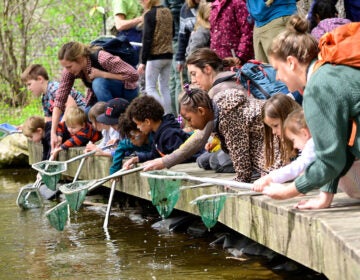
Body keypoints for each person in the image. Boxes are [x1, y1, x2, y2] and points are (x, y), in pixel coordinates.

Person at [264, 15, 360, 209]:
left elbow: (330, 159)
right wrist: (325, 197)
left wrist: (290, 191)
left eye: (277, 68)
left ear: (291, 62)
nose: (277, 77)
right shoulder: (329, 70)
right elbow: (339, 146)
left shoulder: (317, 89)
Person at [142, 47, 272, 172]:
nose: (193, 80)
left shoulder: (219, 91)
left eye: (194, 74)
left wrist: (165, 161)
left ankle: (257, 167)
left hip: (260, 145)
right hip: (250, 142)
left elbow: (200, 138)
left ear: (207, 69)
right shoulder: (229, 79)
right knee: (204, 160)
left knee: (215, 161)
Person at [50, 41, 138, 150]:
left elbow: (134, 75)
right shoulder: (70, 71)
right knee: (86, 115)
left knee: (98, 83)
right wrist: (53, 133)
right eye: (65, 68)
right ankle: (101, 138)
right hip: (105, 98)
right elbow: (59, 100)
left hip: (126, 92)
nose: (68, 71)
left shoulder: (102, 57)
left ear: (80, 59)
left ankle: (116, 135)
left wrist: (103, 74)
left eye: (69, 67)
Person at [179, 85, 267, 182]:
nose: (189, 125)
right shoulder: (216, 111)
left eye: (189, 119)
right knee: (204, 160)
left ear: (201, 111)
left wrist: (241, 179)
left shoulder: (228, 117)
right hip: (263, 145)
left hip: (271, 144)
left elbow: (239, 152)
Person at [122, 95, 192, 168]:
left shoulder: (169, 134)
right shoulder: (155, 133)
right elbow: (155, 154)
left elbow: (182, 156)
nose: (137, 127)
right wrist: (137, 158)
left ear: (147, 122)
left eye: (138, 124)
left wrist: (163, 161)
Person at [253, 108, 315, 191]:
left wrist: (270, 178)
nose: (295, 146)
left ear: (305, 133)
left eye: (293, 140)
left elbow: (297, 166)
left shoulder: (312, 145)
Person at [138, 0, 174, 114]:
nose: (141, 2)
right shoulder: (168, 12)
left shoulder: (149, 15)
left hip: (154, 57)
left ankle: (162, 114)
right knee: (165, 88)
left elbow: (147, 39)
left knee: (150, 88)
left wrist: (142, 61)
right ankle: (169, 116)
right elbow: (173, 32)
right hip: (168, 55)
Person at [21, 64, 85, 122]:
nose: (28, 88)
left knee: (58, 120)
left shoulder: (54, 88)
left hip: (81, 110)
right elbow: (48, 121)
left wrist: (60, 127)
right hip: (69, 116)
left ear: (40, 79)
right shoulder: (45, 98)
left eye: (29, 84)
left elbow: (71, 105)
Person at [261, 94, 301, 172]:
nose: (273, 132)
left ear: (288, 116)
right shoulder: (284, 139)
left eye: (275, 125)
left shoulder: (306, 138)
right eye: (270, 127)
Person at [209, 0, 254, 64]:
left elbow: (247, 31)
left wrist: (240, 56)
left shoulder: (237, 3)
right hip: (219, 60)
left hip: (236, 59)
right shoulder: (213, 7)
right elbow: (213, 34)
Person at [163, 0, 185, 115]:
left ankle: (175, 118)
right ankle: (181, 119)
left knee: (172, 81)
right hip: (177, 40)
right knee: (180, 80)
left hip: (170, 41)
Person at [176, 0, 200, 73]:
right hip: (193, 53)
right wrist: (180, 58)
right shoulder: (185, 8)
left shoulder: (210, 4)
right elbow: (183, 35)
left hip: (209, 53)